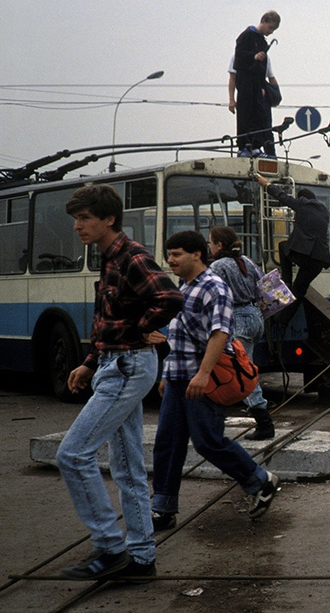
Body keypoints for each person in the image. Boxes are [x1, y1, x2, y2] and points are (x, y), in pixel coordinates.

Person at [57, 185, 183, 580]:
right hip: (116, 362)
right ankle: (141, 558)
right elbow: (107, 320)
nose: (78, 226)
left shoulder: (132, 256)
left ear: (108, 219)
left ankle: (111, 548)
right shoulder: (108, 258)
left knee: (73, 455)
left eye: (85, 218)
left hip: (129, 366)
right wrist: (90, 362)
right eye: (76, 219)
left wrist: (140, 329)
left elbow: (171, 298)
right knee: (127, 469)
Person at [151, 231, 281, 533]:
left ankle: (261, 481)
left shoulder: (213, 286)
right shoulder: (184, 287)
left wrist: (204, 373)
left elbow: (220, 333)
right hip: (178, 379)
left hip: (203, 381)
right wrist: (166, 376)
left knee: (208, 441)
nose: (170, 260)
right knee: (167, 444)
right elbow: (179, 337)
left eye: (177, 254)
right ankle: (163, 507)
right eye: (169, 254)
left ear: (197, 254)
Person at [208, 226, 274, 441]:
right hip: (255, 316)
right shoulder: (247, 261)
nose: (209, 246)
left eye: (211, 242)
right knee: (241, 367)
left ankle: (264, 421)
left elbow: (212, 292)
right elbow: (264, 284)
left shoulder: (218, 266)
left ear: (219, 245)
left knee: (241, 372)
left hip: (237, 319)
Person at [256, 174, 330, 321]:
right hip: (319, 260)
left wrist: (266, 185)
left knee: (283, 246)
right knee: (299, 291)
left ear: (302, 198)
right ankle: (283, 321)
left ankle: (287, 281)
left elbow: (282, 197)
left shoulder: (302, 203)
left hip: (305, 256)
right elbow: (313, 228)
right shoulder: (324, 211)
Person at [233, 10, 280, 156]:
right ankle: (244, 146)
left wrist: (262, 86)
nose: (270, 32)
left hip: (257, 83)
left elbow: (263, 66)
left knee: (258, 114)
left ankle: (255, 145)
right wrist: (253, 56)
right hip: (245, 81)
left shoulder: (262, 41)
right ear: (264, 21)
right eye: (270, 28)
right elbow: (238, 58)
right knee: (245, 113)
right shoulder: (246, 36)